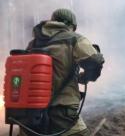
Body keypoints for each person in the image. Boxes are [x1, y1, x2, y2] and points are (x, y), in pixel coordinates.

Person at [20, 8, 105, 136]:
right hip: (62, 112)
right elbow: (95, 61)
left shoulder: (33, 43)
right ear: (71, 25)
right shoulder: (73, 39)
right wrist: (85, 78)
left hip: (31, 115)